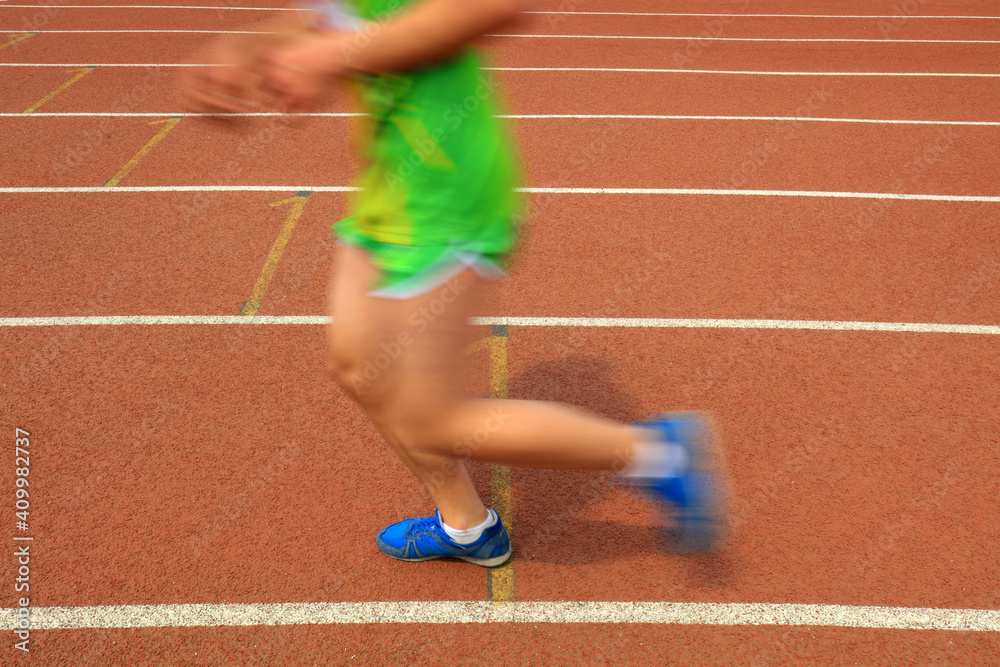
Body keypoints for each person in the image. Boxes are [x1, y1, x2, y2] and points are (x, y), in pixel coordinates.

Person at [183, 0, 727, 566]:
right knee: (359, 366)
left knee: (430, 418)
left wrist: (330, 55)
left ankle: (661, 454)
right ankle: (468, 527)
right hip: (390, 181)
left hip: (446, 192)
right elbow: (328, 12)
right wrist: (246, 50)